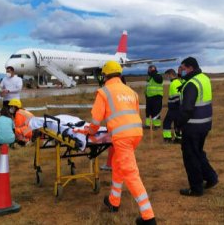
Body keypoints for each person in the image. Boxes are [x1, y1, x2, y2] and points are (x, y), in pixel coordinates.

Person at [74, 61, 156, 225]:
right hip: (136, 133)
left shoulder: (104, 92)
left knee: (131, 174)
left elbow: (96, 122)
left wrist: (88, 131)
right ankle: (114, 201)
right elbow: (134, 114)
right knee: (119, 166)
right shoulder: (130, 91)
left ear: (104, 75)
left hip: (122, 137)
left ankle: (148, 217)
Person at [177, 57, 218, 196]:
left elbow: (187, 108)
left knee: (190, 156)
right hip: (204, 124)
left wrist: (178, 123)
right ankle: (211, 177)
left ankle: (196, 188)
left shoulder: (191, 84)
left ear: (190, 68)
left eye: (182, 68)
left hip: (193, 126)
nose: (181, 71)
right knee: (198, 153)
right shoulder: (204, 78)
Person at [162, 68, 183, 143]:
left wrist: (174, 106)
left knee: (166, 122)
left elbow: (176, 97)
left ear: (170, 75)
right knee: (177, 123)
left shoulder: (173, 84)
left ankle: (167, 138)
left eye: (167, 76)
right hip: (179, 108)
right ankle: (179, 138)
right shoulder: (179, 82)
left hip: (174, 107)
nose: (166, 78)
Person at [144, 65, 163, 130]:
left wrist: (153, 72)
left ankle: (157, 125)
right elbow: (148, 87)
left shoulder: (158, 75)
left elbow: (159, 80)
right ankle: (148, 125)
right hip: (149, 97)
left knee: (156, 111)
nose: (148, 71)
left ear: (153, 70)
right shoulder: (150, 77)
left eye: (149, 69)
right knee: (148, 112)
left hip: (157, 97)